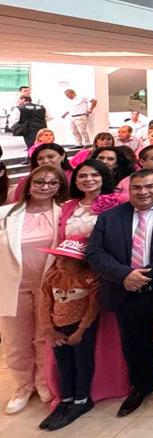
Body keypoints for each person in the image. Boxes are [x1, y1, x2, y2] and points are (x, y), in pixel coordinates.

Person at [85, 169, 153, 416]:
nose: (143, 192)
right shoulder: (110, 217)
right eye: (137, 187)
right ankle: (142, 385)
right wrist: (124, 275)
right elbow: (94, 252)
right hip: (126, 289)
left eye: (150, 186)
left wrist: (147, 273)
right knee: (135, 342)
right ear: (129, 189)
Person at [0, 166, 66, 414]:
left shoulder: (63, 213)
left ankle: (42, 381)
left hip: (48, 286)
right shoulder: (6, 214)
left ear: (60, 187)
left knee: (44, 337)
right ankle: (23, 386)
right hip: (12, 285)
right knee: (15, 339)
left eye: (52, 183)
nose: (45, 187)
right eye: (39, 182)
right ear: (29, 185)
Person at [36, 236, 100, 430]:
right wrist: (49, 330)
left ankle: (82, 400)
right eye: (59, 258)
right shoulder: (52, 276)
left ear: (80, 261)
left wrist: (80, 330)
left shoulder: (90, 279)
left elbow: (92, 307)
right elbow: (44, 304)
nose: (61, 263)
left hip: (80, 329)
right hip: (57, 329)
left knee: (82, 363)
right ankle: (66, 399)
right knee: (63, 365)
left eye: (67, 259)